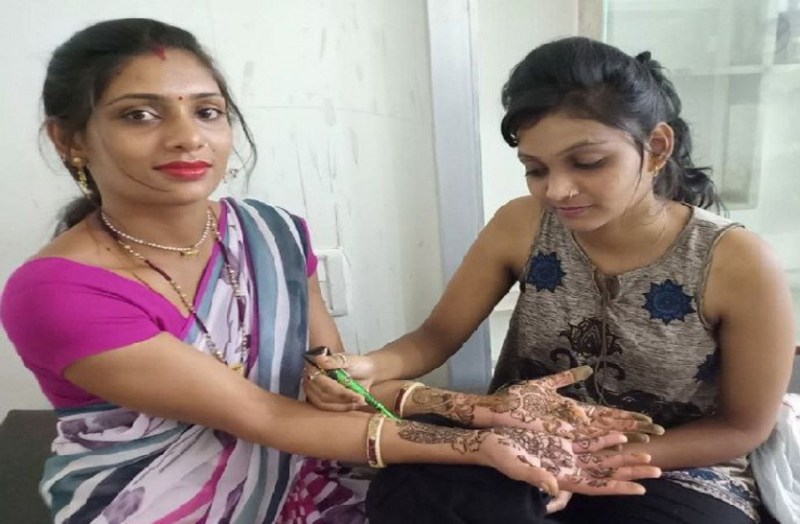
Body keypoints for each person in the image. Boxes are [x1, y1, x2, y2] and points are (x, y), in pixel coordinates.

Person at [0, 20, 661, 524]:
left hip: (309, 476)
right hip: (155, 499)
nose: (187, 137)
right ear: (70, 139)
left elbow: (332, 391)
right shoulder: (57, 291)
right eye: (139, 114)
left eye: (206, 110)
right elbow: (268, 416)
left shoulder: (272, 233)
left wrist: (478, 410)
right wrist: (476, 443)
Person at [306, 37, 797, 524]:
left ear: (656, 148)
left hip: (667, 465)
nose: (558, 190)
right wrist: (371, 366)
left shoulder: (737, 262)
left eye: (588, 163)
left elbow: (741, 428)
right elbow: (436, 336)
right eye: (535, 169)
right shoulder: (521, 224)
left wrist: (586, 459)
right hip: (512, 444)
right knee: (408, 493)